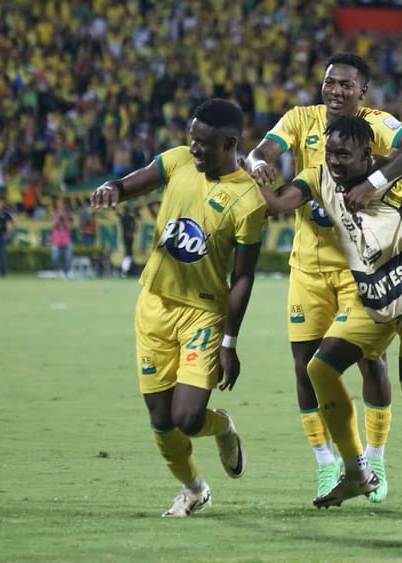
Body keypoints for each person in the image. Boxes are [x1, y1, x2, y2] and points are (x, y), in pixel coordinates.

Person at [245, 53, 402, 503]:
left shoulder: (376, 123)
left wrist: (376, 182)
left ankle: (376, 457)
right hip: (308, 266)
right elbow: (263, 151)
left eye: (346, 85)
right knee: (304, 367)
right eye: (330, 83)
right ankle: (327, 466)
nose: (336, 92)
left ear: (362, 92)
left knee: (371, 362)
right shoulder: (300, 118)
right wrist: (256, 164)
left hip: (363, 266)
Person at [259, 115, 402, 518]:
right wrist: (250, 170)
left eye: (344, 154)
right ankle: (356, 470)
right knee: (319, 369)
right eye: (329, 152)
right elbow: (277, 203)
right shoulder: (318, 177)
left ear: (366, 154)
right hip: (374, 293)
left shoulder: (401, 180)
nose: (334, 161)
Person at [89, 99, 265, 518]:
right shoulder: (179, 160)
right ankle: (194, 490)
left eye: (204, 143)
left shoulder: (248, 201)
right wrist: (114, 187)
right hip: (154, 305)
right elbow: (136, 182)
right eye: (192, 139)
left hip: (203, 314)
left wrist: (229, 342)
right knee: (160, 419)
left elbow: (243, 277)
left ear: (230, 144)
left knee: (186, 417)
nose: (194, 149)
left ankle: (221, 425)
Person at [50, 201, 73, 279]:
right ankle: (56, 272)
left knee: (68, 257)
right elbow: (52, 226)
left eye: (62, 209)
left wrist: (64, 219)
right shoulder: (55, 215)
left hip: (66, 240)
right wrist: (58, 218)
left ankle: (66, 273)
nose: (61, 211)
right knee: (55, 257)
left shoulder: (68, 216)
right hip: (56, 240)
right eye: (59, 209)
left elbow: (69, 227)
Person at [120, 206, 136, 277]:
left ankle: (126, 270)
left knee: (128, 253)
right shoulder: (127, 218)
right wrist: (131, 232)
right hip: (127, 236)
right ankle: (125, 270)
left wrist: (131, 232)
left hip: (127, 236)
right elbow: (133, 227)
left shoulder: (126, 218)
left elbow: (134, 227)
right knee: (128, 253)